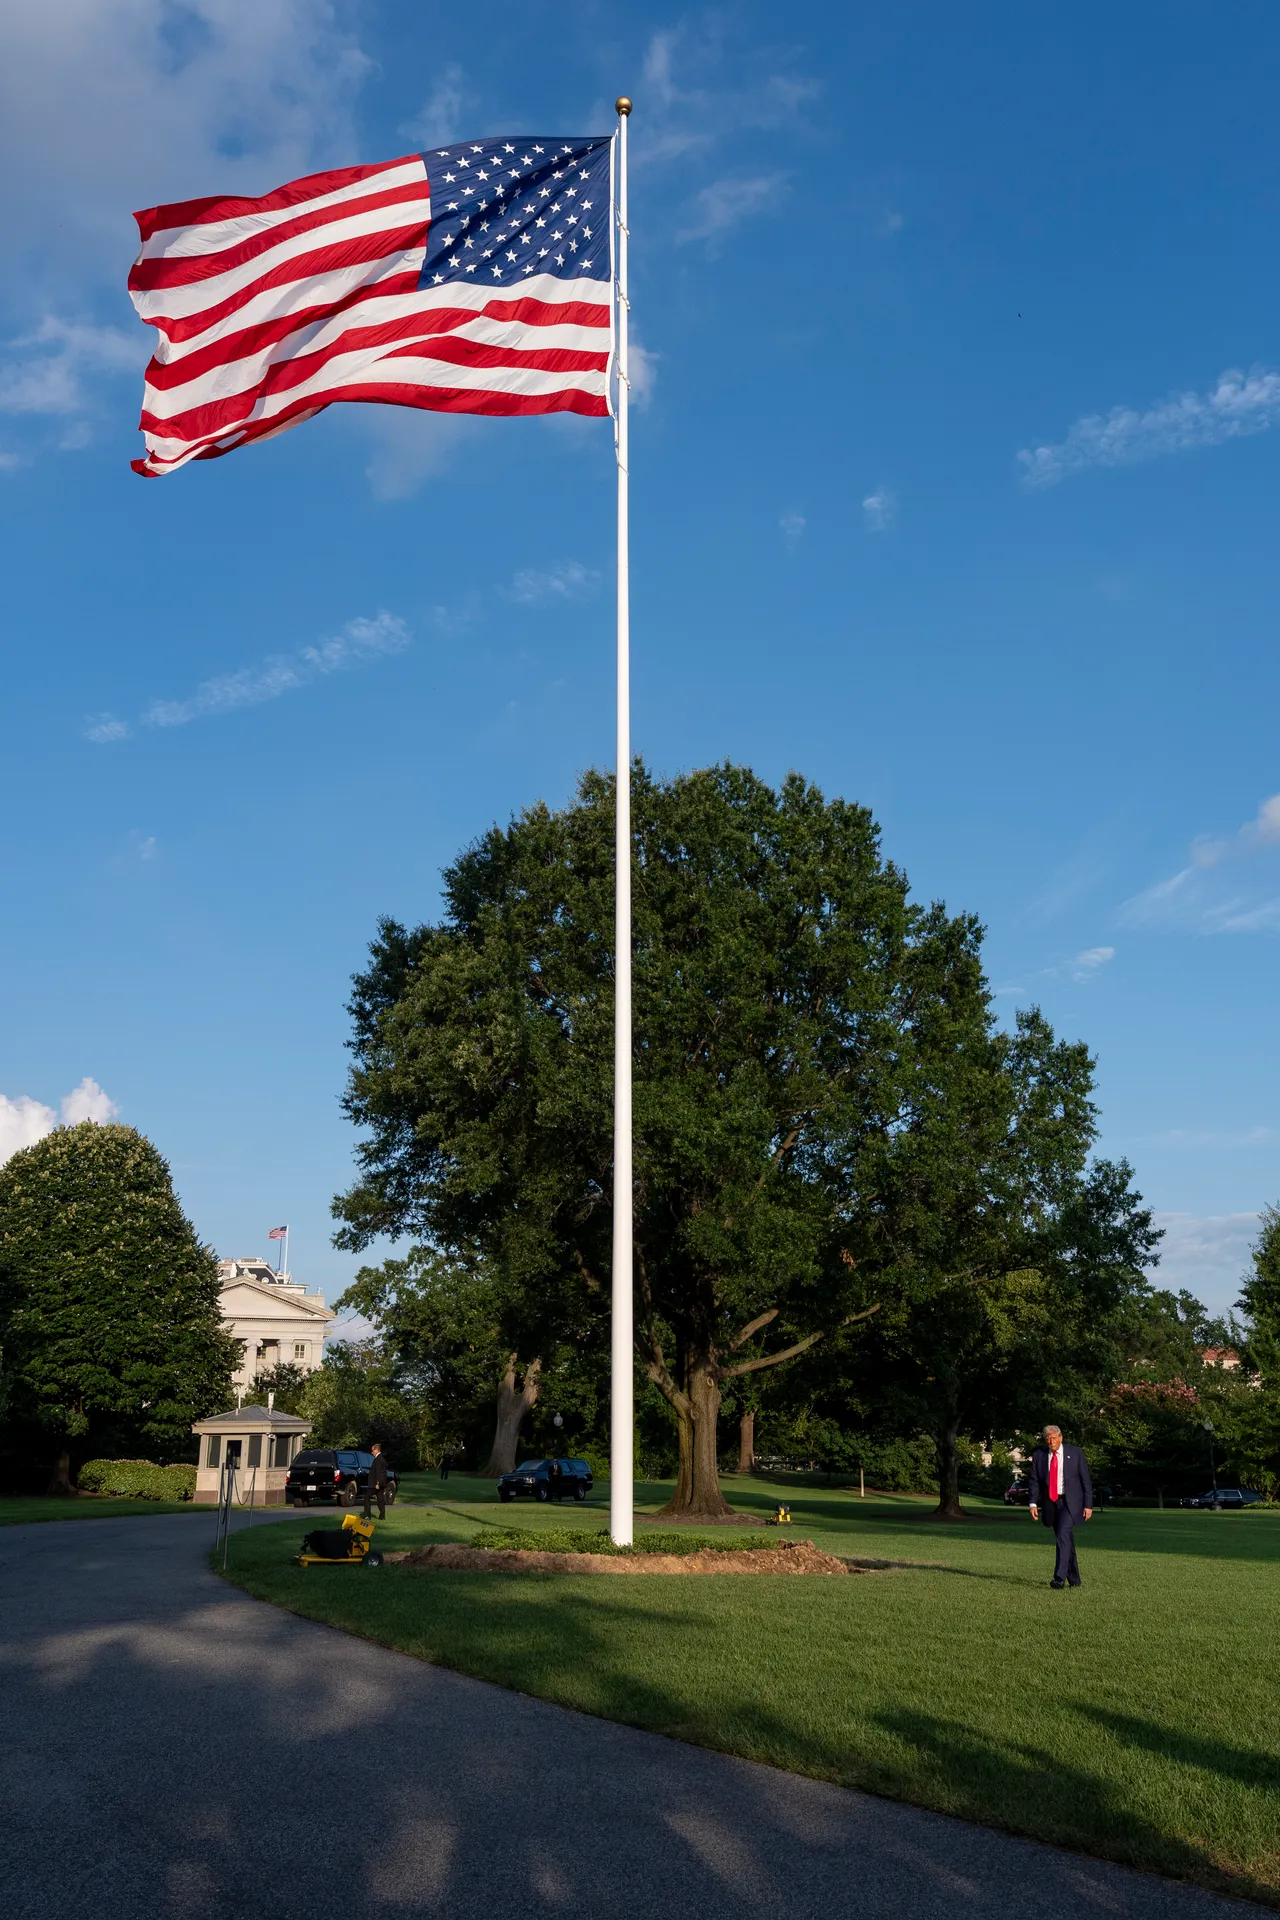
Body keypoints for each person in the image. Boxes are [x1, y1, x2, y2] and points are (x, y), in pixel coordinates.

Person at [1027, 1424, 1093, 1588]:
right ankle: (1075, 1580)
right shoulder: (1039, 1456)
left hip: (1070, 1503)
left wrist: (1088, 1505)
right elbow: (1034, 1481)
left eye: (1054, 1438)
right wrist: (1033, 1503)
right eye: (1048, 1438)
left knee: (1062, 1535)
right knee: (1066, 1540)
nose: (1051, 1441)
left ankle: (1059, 1578)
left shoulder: (1075, 1453)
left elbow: (1086, 1481)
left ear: (1060, 1438)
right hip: (1051, 1503)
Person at [362, 1442, 390, 1521]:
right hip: (382, 1483)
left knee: (367, 1497)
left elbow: (379, 1472)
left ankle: (367, 1515)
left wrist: (378, 1483)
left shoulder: (377, 1459)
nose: (372, 1452)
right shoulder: (383, 1459)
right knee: (380, 1499)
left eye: (372, 1451)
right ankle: (382, 1516)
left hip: (375, 1483)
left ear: (376, 1450)